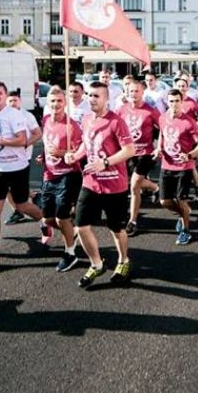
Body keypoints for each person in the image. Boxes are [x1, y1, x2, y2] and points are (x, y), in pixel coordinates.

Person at [64, 81, 136, 288]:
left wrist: (104, 162)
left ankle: (123, 260)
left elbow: (129, 150)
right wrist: (74, 156)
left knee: (116, 229)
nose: (91, 99)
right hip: (91, 183)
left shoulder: (116, 122)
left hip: (115, 185)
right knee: (81, 226)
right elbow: (87, 147)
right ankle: (97, 264)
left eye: (96, 96)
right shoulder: (86, 120)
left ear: (106, 99)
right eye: (89, 95)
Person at [0, 82, 45, 269]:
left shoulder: (14, 115)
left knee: (22, 205)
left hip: (17, 168)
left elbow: (21, 140)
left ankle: (45, 221)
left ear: (4, 95)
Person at [37, 87, 84, 273]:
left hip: (68, 175)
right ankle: (71, 232)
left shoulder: (72, 126)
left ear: (65, 103)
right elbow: (48, 145)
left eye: (59, 101)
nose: (56, 105)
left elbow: (81, 153)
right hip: (49, 174)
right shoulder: (46, 119)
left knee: (61, 217)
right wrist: (43, 156)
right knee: (48, 218)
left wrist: (62, 153)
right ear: (48, 103)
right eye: (52, 101)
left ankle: (70, 253)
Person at [156, 89, 198, 246]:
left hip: (184, 167)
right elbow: (162, 135)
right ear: (167, 103)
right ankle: (183, 213)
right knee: (164, 201)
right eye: (171, 101)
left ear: (182, 101)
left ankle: (185, 231)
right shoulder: (162, 118)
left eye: (177, 101)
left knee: (181, 200)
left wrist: (190, 155)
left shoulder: (188, 122)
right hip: (166, 165)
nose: (174, 104)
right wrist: (158, 148)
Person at [119, 80, 160, 236]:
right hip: (128, 152)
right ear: (127, 93)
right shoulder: (122, 109)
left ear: (143, 92)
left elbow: (164, 127)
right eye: (131, 91)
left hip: (145, 152)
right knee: (134, 183)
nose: (134, 94)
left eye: (137, 91)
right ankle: (155, 187)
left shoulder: (150, 111)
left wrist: (160, 146)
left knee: (135, 184)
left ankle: (132, 221)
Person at [4, 89, 43, 226]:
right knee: (7, 187)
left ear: (20, 101)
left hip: (22, 158)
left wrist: (26, 143)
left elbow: (37, 134)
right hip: (6, 158)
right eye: (10, 101)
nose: (13, 103)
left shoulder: (27, 116)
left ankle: (29, 204)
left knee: (13, 187)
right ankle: (21, 207)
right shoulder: (2, 116)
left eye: (15, 100)